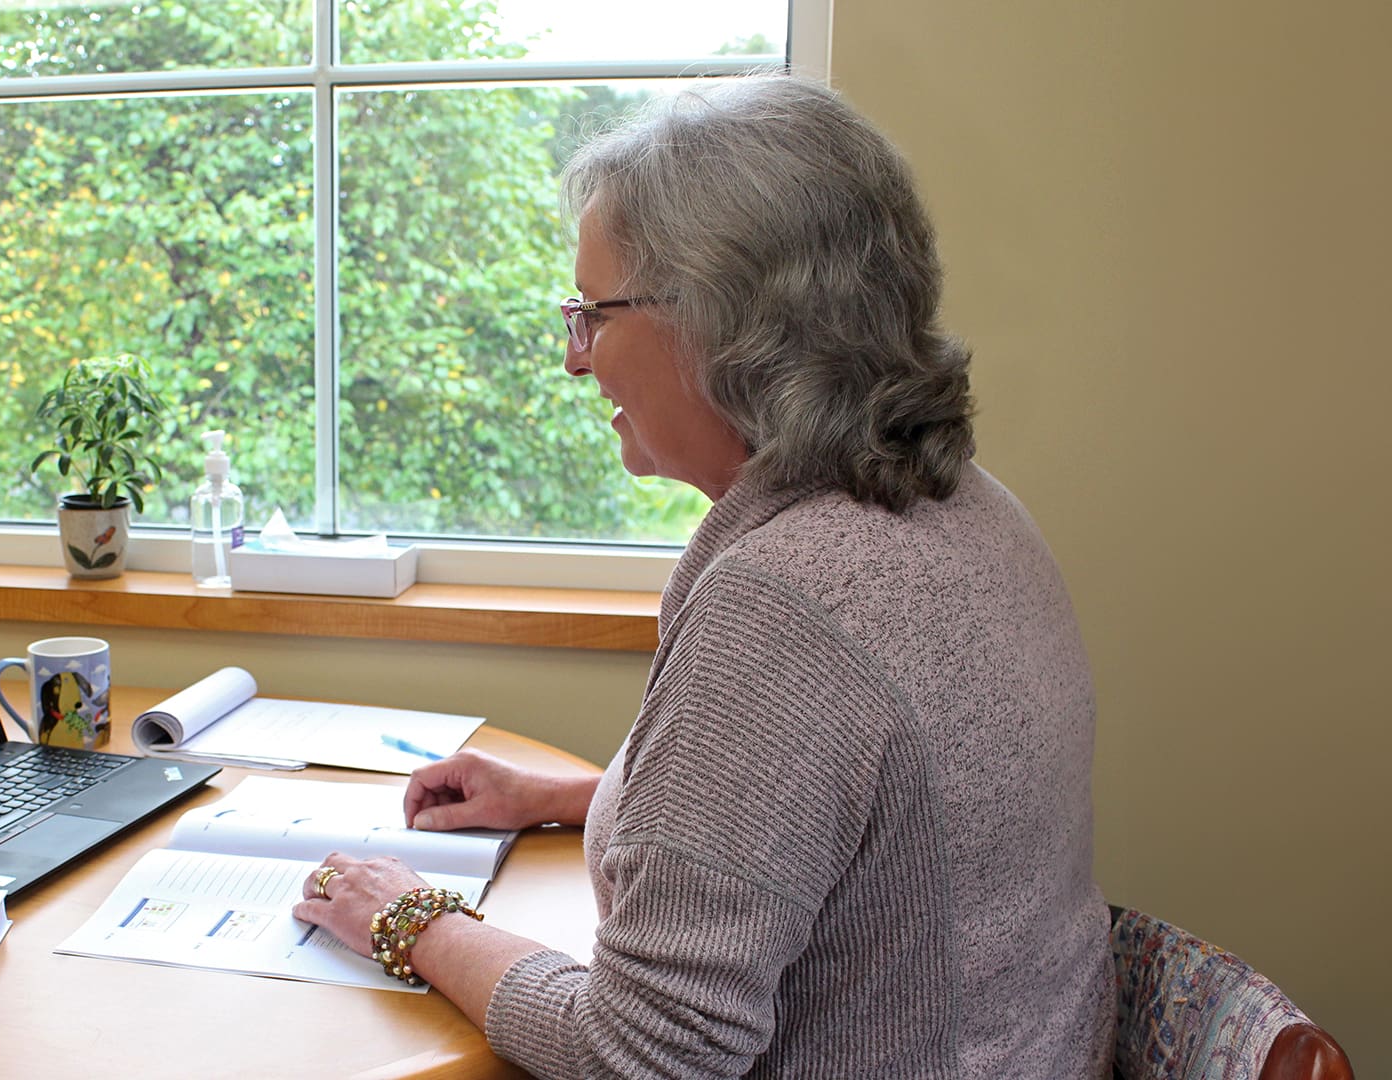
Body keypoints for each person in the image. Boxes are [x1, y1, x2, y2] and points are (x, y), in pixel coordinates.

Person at [292, 75, 1114, 1078]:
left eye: (594, 313)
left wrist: (412, 918)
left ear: (725, 323)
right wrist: (576, 796)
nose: (574, 358)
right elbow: (849, 824)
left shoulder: (787, 605)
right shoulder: (968, 510)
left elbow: (640, 1055)